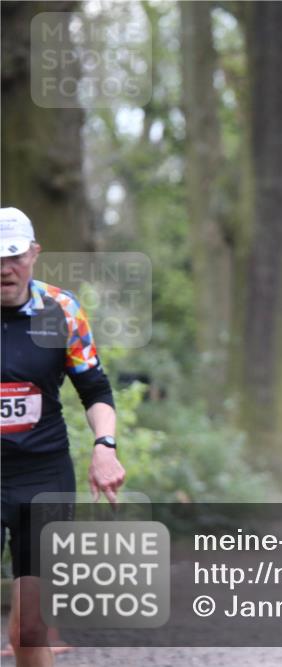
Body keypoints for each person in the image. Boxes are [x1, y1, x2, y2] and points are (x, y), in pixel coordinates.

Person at [0, 207, 126, 667]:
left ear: (34, 254)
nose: (4, 269)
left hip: (43, 475)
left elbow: (95, 389)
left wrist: (105, 448)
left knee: (31, 629)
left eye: (13, 256)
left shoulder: (62, 310)